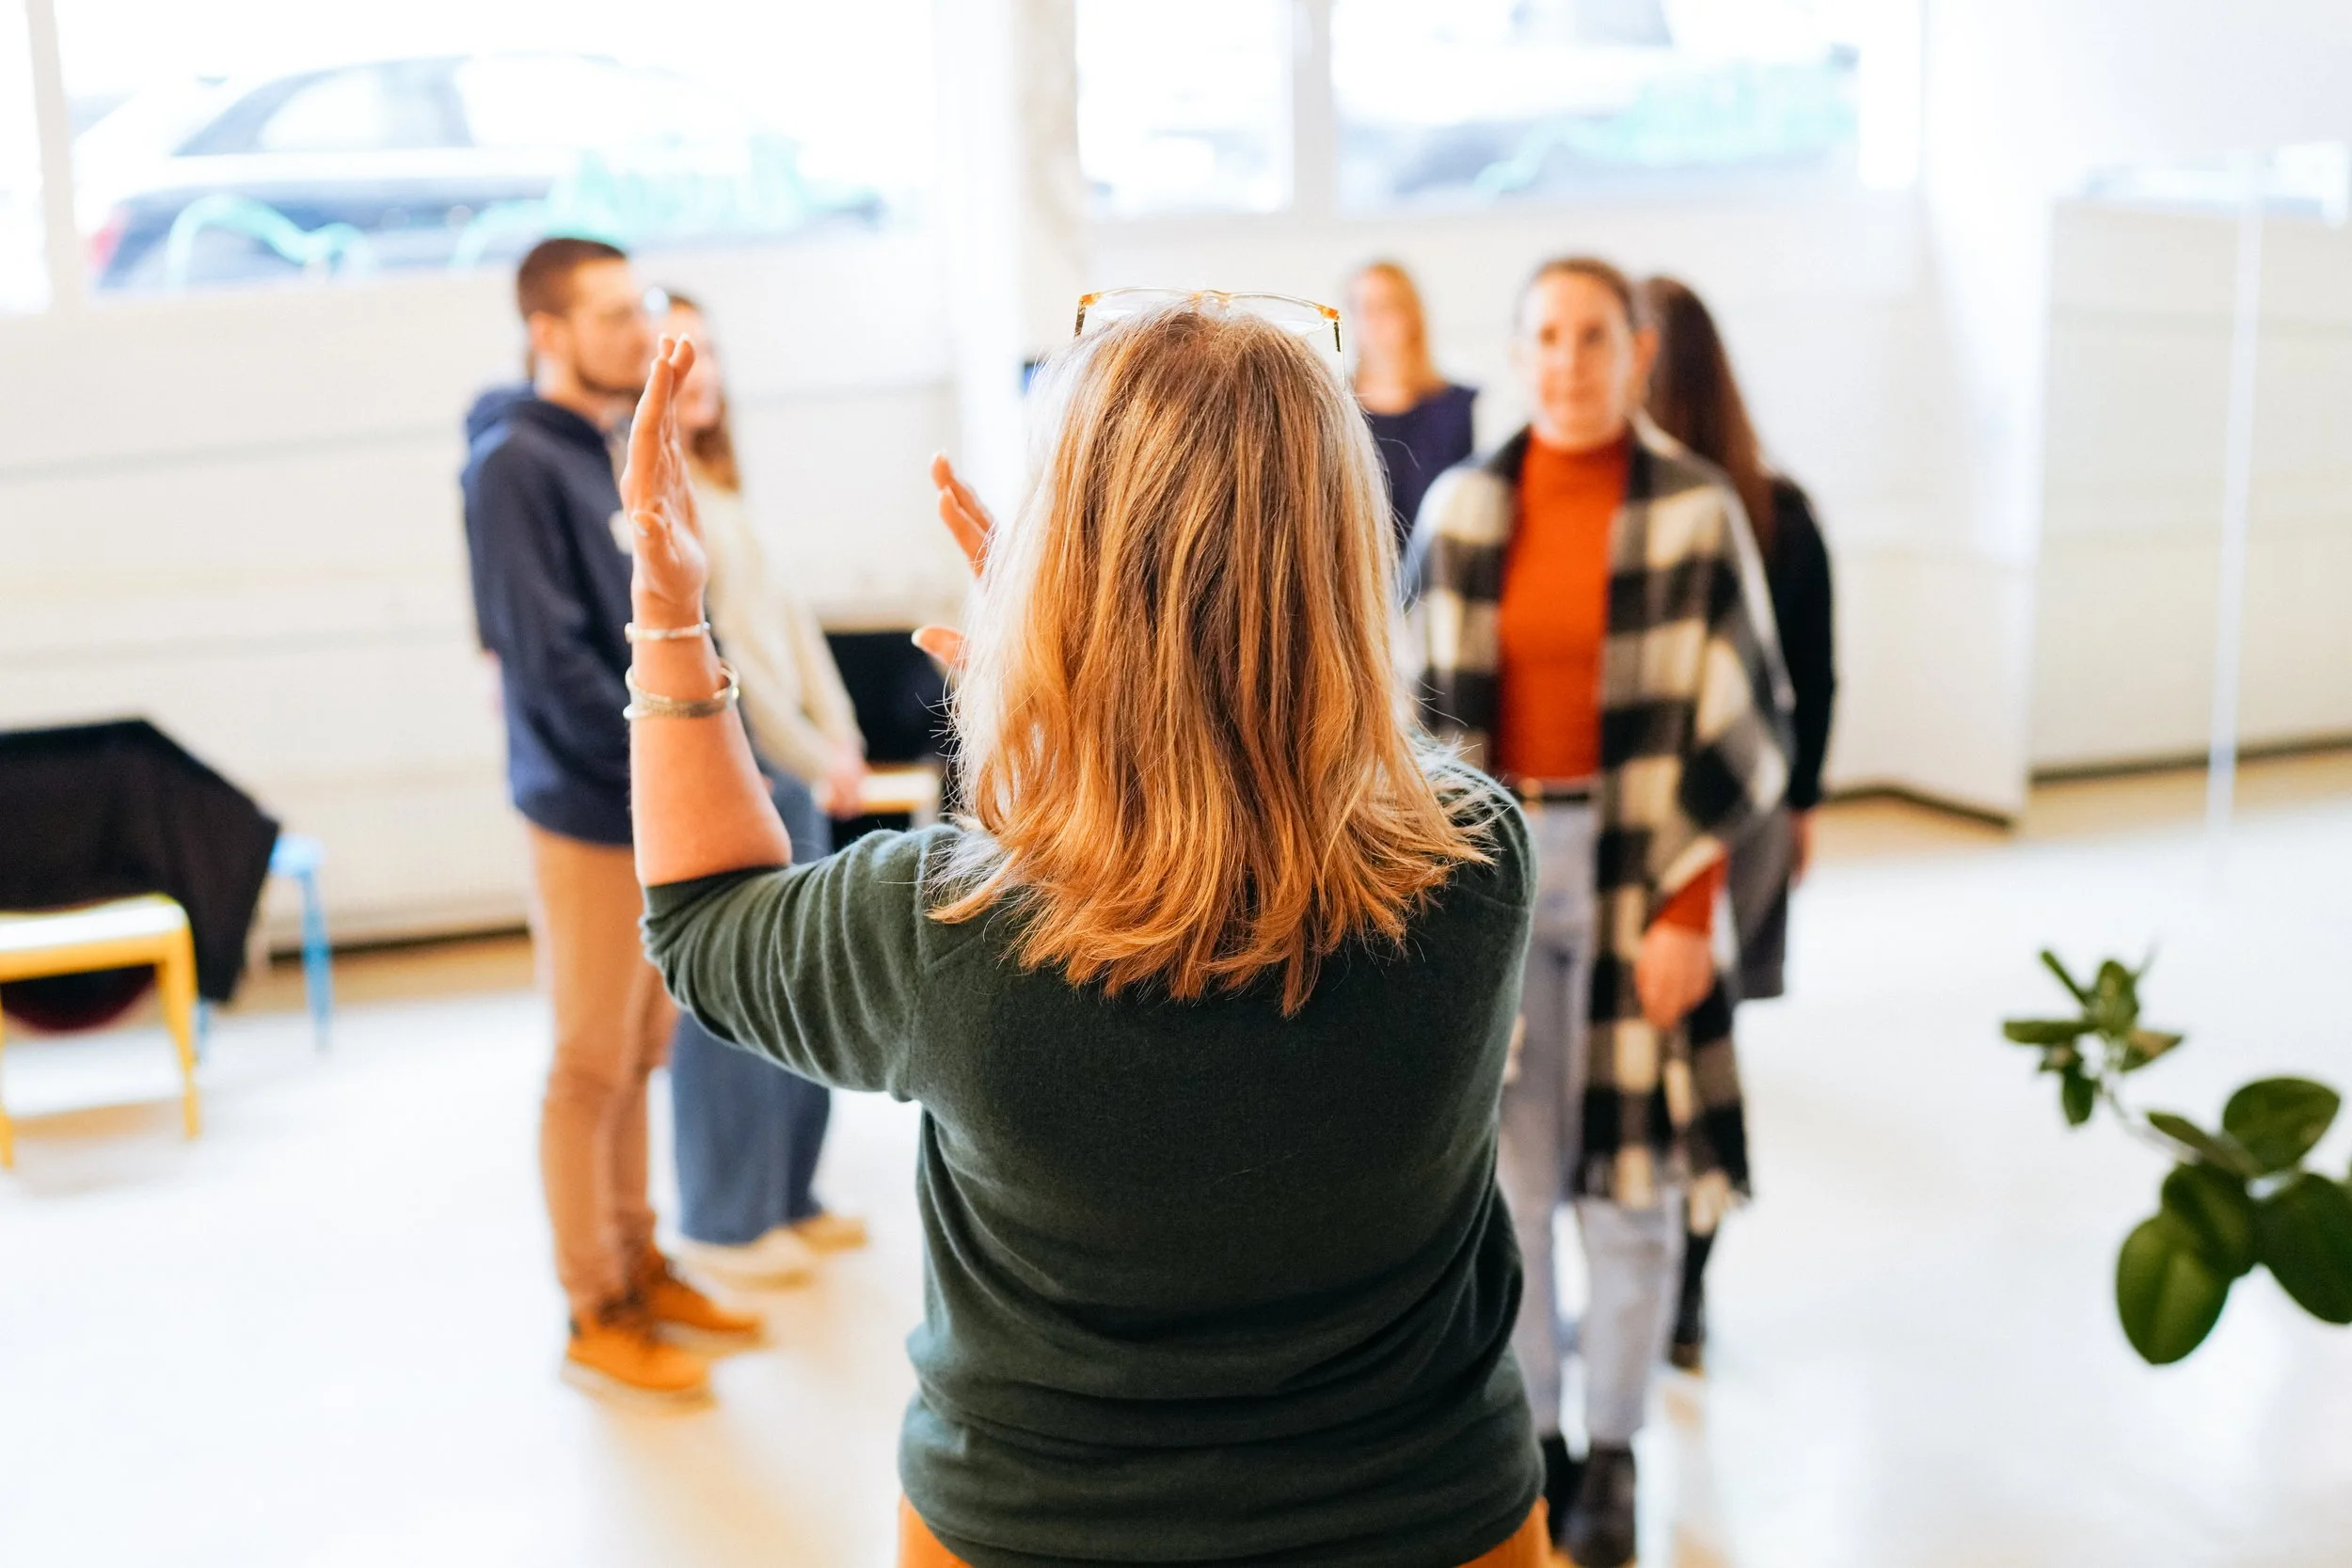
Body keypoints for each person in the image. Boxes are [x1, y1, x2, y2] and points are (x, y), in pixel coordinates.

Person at [623, 298, 1556, 1565]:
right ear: (1346, 549)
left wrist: (673, 615)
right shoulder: (1478, 863)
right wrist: (1068, 696)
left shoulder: (947, 928)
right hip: (1434, 1518)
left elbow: (701, 914)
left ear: (1068, 564)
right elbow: (1234, 815)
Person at [1409, 257, 1789, 1567]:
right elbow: (1408, 730)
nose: (1567, 360)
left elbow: (1743, 719)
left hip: (1644, 870)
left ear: (1635, 350)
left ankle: (1618, 1449)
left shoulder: (1694, 511)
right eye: (1544, 336)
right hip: (1494, 875)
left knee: (1631, 1179)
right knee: (1507, 1184)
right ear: (1517, 352)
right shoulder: (1461, 507)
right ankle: (1544, 1441)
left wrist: (1692, 909)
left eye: (1592, 336)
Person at [460, 237, 760, 1407]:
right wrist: (662, 760)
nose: (640, 329)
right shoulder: (509, 465)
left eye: (640, 304)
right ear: (546, 329)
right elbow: (548, 665)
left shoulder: (601, 448)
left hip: (644, 802)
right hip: (591, 809)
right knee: (588, 1064)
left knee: (643, 1051)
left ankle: (641, 1260)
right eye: (608, 312)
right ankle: (594, 1304)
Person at [1637, 274, 1837, 1372]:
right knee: (1707, 1051)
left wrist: (1797, 807)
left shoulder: (1754, 512)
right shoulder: (1775, 504)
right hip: (1748, 816)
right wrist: (1800, 806)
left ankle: (1679, 1295)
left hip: (1691, 825)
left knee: (1664, 1056)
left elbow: (1809, 673)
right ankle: (1680, 1302)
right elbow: (1815, 685)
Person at [653, 288, 871, 1285]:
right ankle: (725, 1216)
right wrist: (804, 751)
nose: (701, 370)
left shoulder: (723, 484)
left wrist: (843, 734)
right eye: (676, 352)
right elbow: (726, 653)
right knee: (733, 1000)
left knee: (800, 992)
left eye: (710, 351)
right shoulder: (659, 491)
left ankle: (787, 1192)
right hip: (748, 769)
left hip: (795, 766)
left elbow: (791, 628)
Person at [1348, 261, 1477, 564]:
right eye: (1363, 309)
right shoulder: (1337, 406)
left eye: (1385, 307)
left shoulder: (1453, 408)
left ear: (1411, 315)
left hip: (1435, 575)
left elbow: (1462, 509)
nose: (1374, 321)